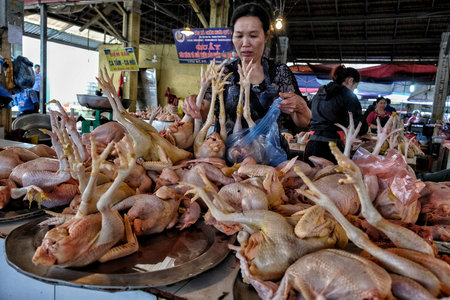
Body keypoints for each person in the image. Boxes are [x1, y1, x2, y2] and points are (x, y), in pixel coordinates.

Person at [182, 3, 311, 148]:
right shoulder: (224, 72)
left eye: (253, 36)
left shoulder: (280, 72)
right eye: (239, 36)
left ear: (266, 36)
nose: (245, 43)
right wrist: (194, 103)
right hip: (226, 155)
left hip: (271, 157)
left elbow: (303, 121)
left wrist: (302, 107)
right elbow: (204, 112)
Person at [304, 65, 368, 165]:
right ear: (350, 80)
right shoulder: (348, 95)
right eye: (355, 86)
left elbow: (308, 116)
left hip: (311, 144)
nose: (353, 90)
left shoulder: (319, 93)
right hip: (332, 148)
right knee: (330, 178)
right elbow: (360, 125)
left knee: (309, 178)